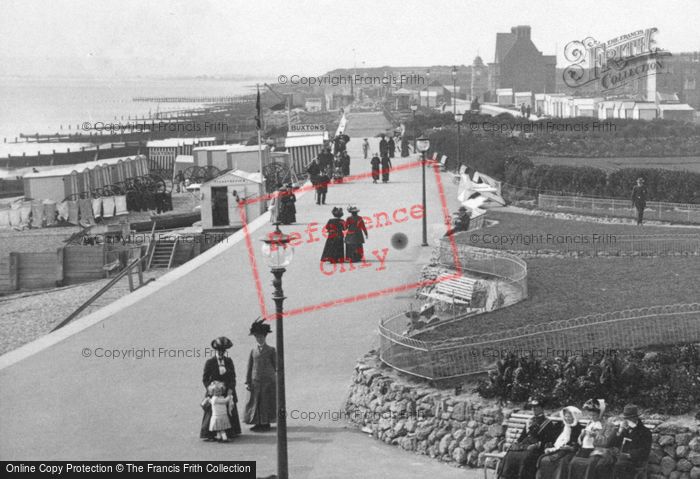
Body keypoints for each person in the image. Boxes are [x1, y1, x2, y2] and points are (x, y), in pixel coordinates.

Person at [497, 397, 562, 479]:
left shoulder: (547, 423)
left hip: (538, 449)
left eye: (536, 407)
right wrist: (517, 442)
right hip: (526, 445)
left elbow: (549, 440)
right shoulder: (529, 421)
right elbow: (522, 436)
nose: (534, 409)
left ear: (542, 408)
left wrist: (537, 445)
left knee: (526, 457)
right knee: (511, 453)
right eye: (532, 407)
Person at [200, 336, 241, 441]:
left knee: (230, 409)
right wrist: (211, 388)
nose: (221, 353)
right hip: (214, 391)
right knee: (212, 411)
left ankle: (230, 432)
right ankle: (210, 433)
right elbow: (205, 379)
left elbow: (233, 377)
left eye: (223, 350)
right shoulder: (210, 362)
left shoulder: (229, 361)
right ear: (216, 351)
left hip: (227, 390)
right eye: (219, 350)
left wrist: (230, 390)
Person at [567, 399, 617, 479]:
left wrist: (595, 435)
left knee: (591, 464)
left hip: (598, 451)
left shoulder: (609, 425)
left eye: (594, 415)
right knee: (573, 462)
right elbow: (581, 440)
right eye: (590, 415)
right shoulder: (590, 423)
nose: (592, 418)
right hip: (585, 450)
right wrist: (582, 435)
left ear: (600, 414)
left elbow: (606, 442)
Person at [244, 319, 277, 432]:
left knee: (266, 402)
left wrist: (275, 378)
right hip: (255, 381)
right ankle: (257, 422)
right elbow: (249, 367)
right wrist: (247, 382)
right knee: (255, 402)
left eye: (261, 337)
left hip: (268, 381)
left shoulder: (271, 350)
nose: (260, 339)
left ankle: (266, 422)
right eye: (258, 337)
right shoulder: (253, 351)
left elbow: (276, 365)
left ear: (265, 337)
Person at [536, 406, 583, 479]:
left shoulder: (578, 428)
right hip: (558, 449)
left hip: (571, 452)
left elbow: (578, 444)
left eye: (569, 417)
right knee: (544, 460)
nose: (567, 419)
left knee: (563, 462)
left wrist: (569, 448)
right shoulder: (561, 426)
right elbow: (553, 438)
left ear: (574, 417)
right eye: (566, 416)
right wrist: (550, 445)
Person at [609, 405, 652, 479]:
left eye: (629, 419)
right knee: (603, 462)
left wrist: (629, 455)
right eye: (625, 419)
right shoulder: (624, 429)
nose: (626, 421)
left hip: (635, 460)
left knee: (620, 465)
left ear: (635, 418)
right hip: (620, 458)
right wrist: (620, 430)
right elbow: (611, 443)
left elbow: (645, 451)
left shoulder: (645, 432)